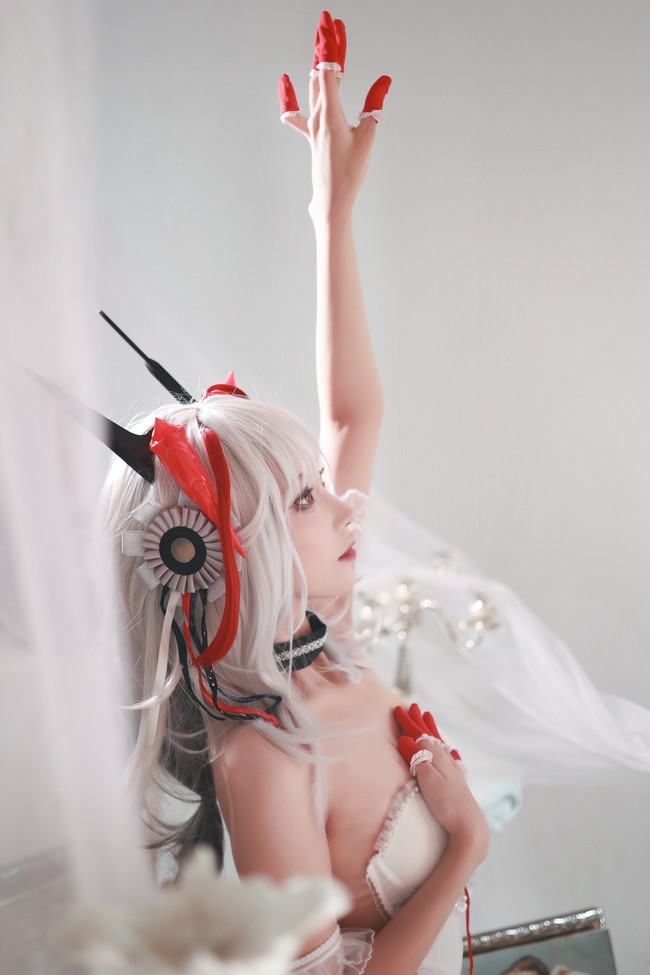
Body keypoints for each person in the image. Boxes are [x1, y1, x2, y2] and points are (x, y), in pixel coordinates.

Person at [103, 12, 489, 974]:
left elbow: (355, 412)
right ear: (232, 550)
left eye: (319, 483)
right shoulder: (264, 758)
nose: (347, 501)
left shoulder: (326, 639)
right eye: (308, 499)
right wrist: (465, 847)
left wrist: (331, 218)